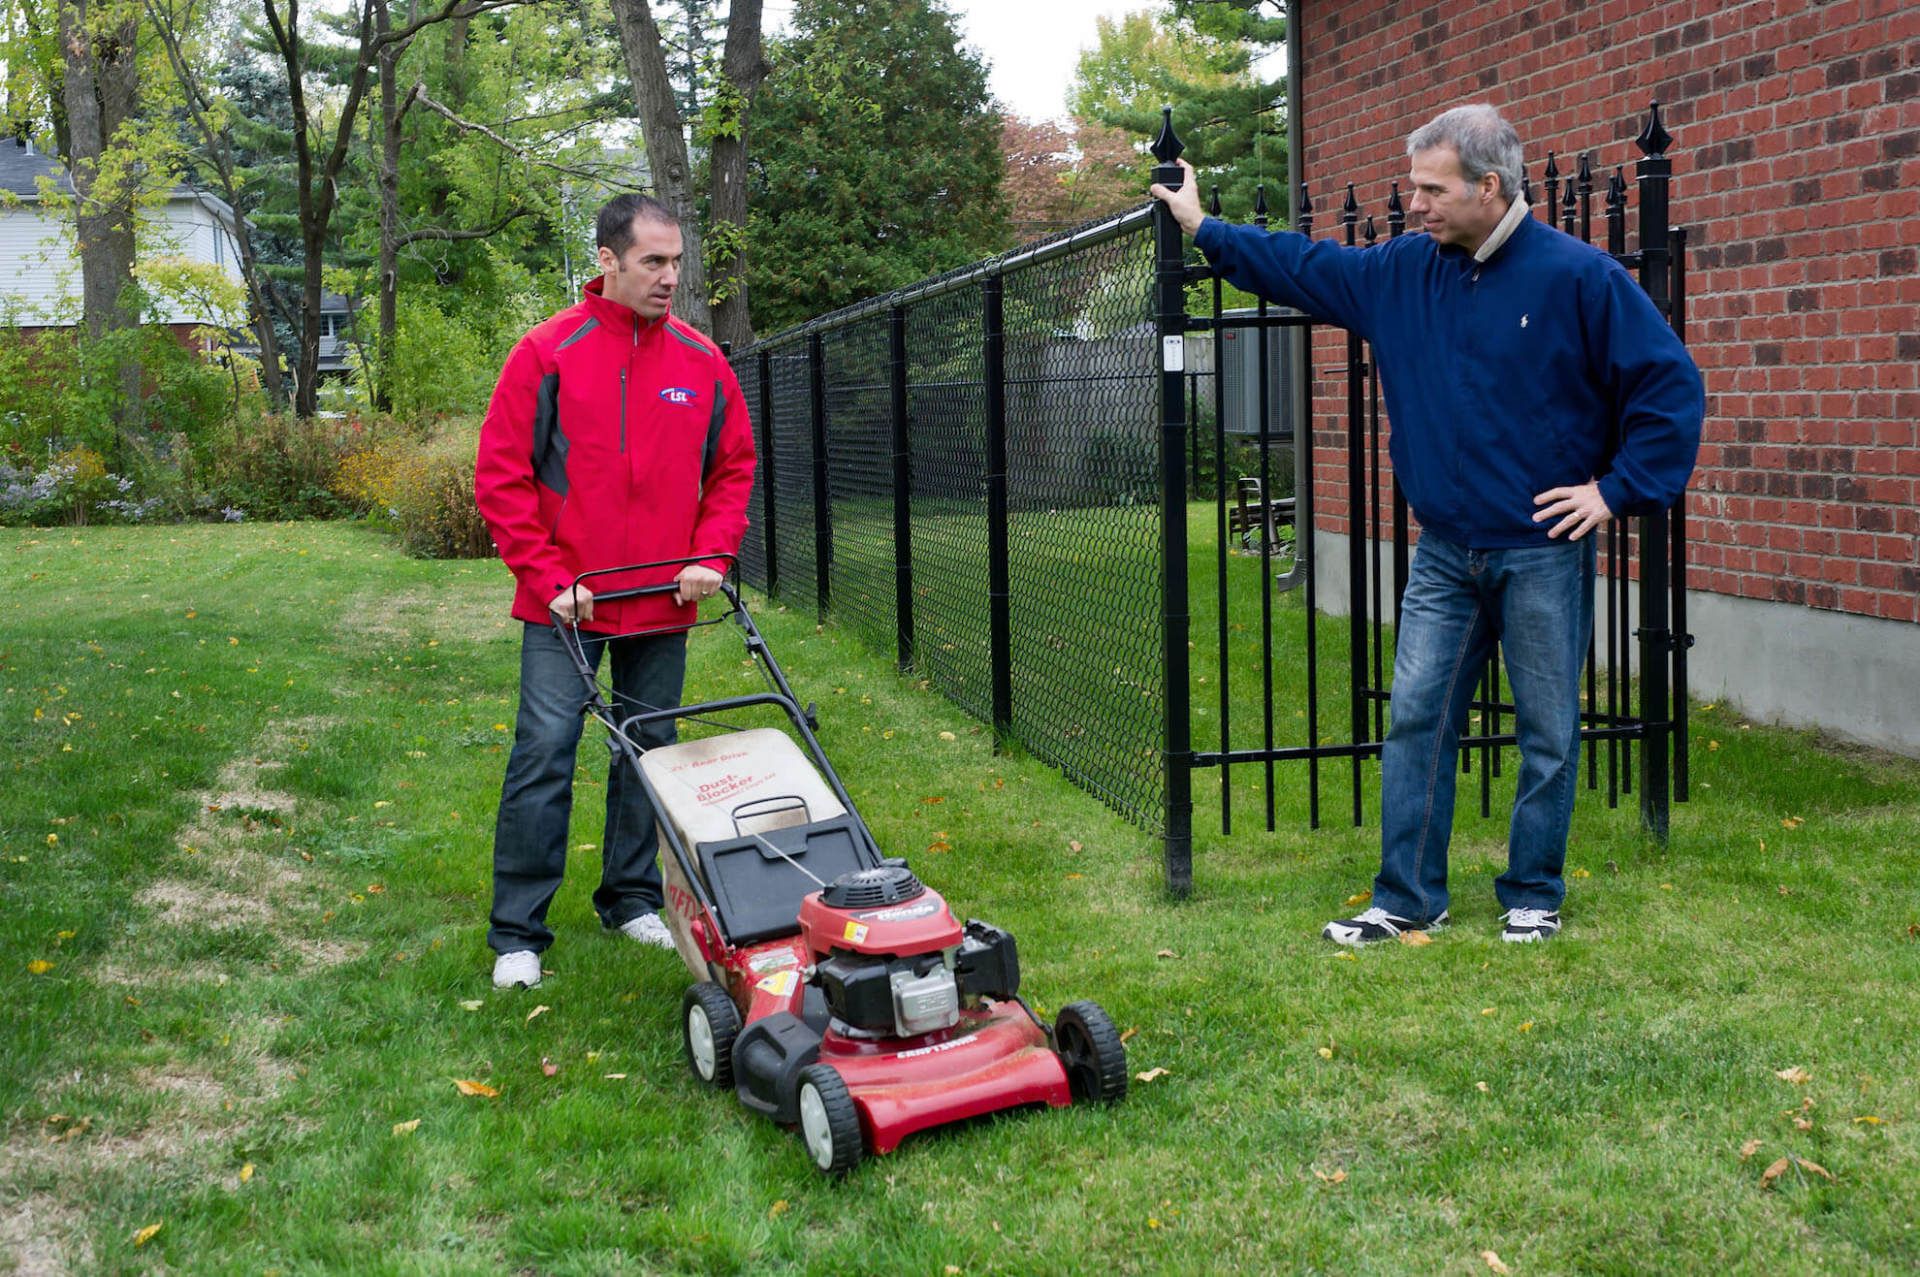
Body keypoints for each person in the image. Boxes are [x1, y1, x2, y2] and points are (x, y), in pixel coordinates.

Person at [1151, 104, 1702, 945]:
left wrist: (1613, 491)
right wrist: (1203, 226)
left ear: (1490, 187)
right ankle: (1407, 898)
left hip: (1541, 551)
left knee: (1548, 730)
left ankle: (1533, 893)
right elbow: (1304, 264)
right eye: (1413, 186)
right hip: (1444, 551)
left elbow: (1670, 388)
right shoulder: (1405, 272)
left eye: (1431, 188)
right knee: (1416, 716)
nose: (1415, 202)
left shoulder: (1578, 278)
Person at [474, 193, 756, 988]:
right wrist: (548, 575)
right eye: (652, 263)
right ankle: (518, 933)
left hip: (663, 597)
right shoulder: (549, 352)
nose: (670, 277)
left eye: (676, 262)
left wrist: (712, 552)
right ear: (607, 261)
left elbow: (733, 467)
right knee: (544, 752)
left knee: (649, 751)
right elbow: (502, 476)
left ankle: (630, 896)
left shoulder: (702, 361)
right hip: (570, 601)